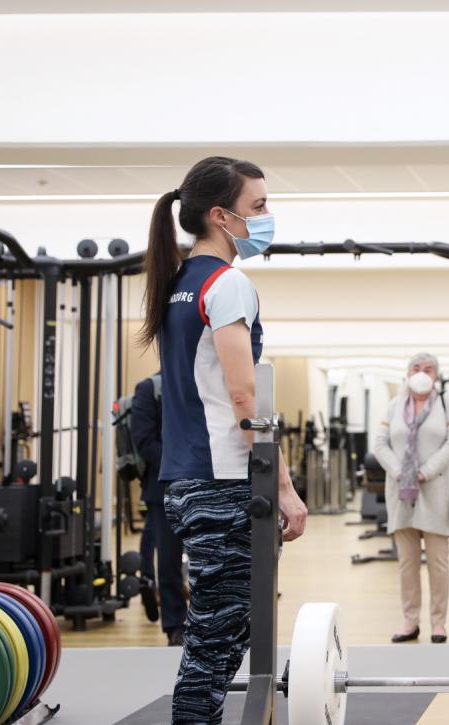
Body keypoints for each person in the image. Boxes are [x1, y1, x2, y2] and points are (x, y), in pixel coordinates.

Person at [139, 156, 308, 725]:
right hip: (223, 481)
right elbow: (244, 397)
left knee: (224, 626)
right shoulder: (227, 282)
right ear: (220, 215)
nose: (266, 217)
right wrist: (283, 484)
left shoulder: (178, 282)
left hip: (187, 480)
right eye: (257, 207)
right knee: (218, 637)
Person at [372, 352, 449, 644]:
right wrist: (400, 471)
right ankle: (410, 621)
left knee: (438, 562)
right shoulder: (393, 406)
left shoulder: (448, 403)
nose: (422, 373)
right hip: (401, 493)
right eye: (416, 368)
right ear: (407, 373)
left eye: (428, 369)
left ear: (436, 375)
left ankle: (439, 623)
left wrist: (425, 471)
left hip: (435, 489)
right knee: (406, 563)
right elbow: (379, 444)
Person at [129, 373, 187, 647]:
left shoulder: (202, 382)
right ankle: (175, 626)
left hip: (205, 483)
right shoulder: (149, 389)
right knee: (169, 561)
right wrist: (184, 462)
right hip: (163, 487)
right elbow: (143, 441)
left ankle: (206, 624)